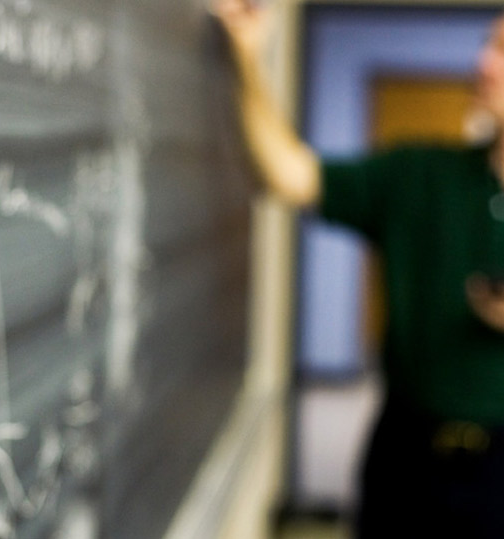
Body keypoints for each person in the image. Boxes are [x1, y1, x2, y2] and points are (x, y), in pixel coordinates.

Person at [213, 1, 504, 537]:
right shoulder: (421, 174)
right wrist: (248, 55)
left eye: (503, 52)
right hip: (409, 454)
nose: (484, 64)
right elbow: (291, 174)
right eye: (489, 45)